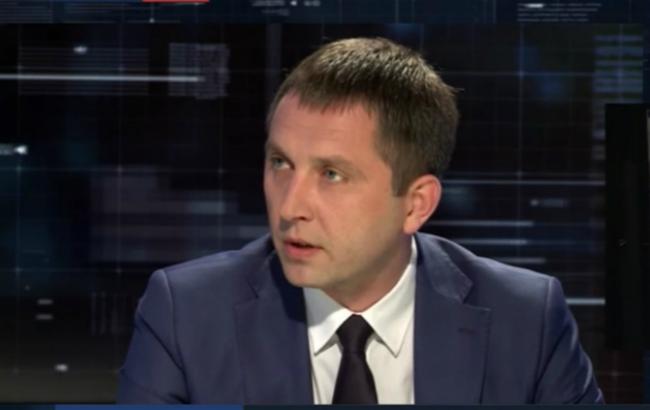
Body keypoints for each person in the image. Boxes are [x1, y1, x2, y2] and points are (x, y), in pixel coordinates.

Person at [117, 37, 603, 404]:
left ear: (416, 204)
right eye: (281, 163)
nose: (289, 208)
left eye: (332, 174)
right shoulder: (186, 314)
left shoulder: (527, 319)